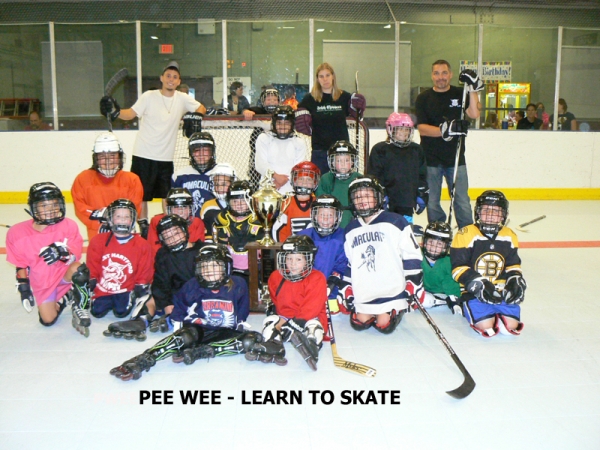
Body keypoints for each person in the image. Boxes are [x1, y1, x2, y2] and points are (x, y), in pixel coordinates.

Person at [110, 244, 262, 381]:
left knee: (253, 339)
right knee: (184, 336)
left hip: (224, 333)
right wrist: (175, 327)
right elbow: (179, 310)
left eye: (215, 266)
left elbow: (242, 313)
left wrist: (237, 329)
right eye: (204, 267)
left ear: (226, 268)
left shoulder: (238, 284)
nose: (209, 271)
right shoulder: (192, 285)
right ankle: (144, 359)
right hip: (198, 330)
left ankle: (202, 352)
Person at [99, 61, 207, 236]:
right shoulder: (149, 96)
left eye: (175, 77)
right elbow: (130, 113)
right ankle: (144, 227)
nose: (171, 79)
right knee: (142, 195)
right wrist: (115, 112)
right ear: (161, 78)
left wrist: (195, 115)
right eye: (168, 76)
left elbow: (201, 108)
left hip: (166, 157)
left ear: (179, 81)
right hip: (143, 154)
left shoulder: (182, 98)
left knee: (166, 195)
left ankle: (168, 224)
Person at [6, 182, 93, 336]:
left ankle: (81, 305)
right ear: (34, 208)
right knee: (47, 320)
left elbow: (75, 255)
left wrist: (63, 252)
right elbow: (21, 265)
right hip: (43, 282)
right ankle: (67, 296)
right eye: (44, 206)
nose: (51, 210)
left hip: (63, 274)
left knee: (79, 270)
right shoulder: (16, 233)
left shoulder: (68, 225)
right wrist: (24, 289)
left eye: (54, 205)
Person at [340, 175, 424, 334]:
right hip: (365, 291)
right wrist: (347, 287)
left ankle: (396, 309)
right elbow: (351, 263)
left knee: (385, 326)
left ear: (378, 197)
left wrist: (413, 282)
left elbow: (411, 255)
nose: (362, 200)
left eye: (367, 195)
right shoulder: (350, 229)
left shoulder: (396, 221)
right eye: (357, 197)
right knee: (359, 323)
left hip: (391, 289)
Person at [103, 214, 205, 340]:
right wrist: (167, 304)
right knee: (150, 298)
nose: (173, 239)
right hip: (175, 295)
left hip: (199, 295)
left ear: (185, 231)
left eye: (176, 233)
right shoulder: (163, 254)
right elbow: (161, 283)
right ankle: (140, 320)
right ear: (162, 239)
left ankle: (173, 319)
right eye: (167, 237)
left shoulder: (202, 250)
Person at [415, 60, 481, 229]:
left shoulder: (461, 93)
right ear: (432, 76)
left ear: (450, 74)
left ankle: (467, 233)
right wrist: (445, 130)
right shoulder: (423, 98)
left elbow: (474, 113)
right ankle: (437, 233)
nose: (441, 77)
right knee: (432, 201)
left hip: (456, 158)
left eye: (444, 73)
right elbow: (422, 128)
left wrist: (473, 88)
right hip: (430, 159)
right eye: (436, 73)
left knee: (462, 200)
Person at [450, 190, 527, 337]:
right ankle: (471, 306)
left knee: (511, 328)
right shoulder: (465, 234)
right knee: (487, 327)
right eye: (486, 210)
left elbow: (513, 264)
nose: (490, 215)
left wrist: (515, 279)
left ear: (503, 215)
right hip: (473, 292)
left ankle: (496, 312)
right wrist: (479, 284)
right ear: (478, 212)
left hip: (500, 290)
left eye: (496, 211)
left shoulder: (510, 235)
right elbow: (457, 267)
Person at [246, 235, 327, 371]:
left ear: (308, 259)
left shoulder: (317, 278)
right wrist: (279, 324)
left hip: (306, 321)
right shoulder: (276, 276)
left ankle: (311, 346)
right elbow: (278, 304)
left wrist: (288, 325)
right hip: (286, 322)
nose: (293, 264)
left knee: (314, 326)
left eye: (298, 259)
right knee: (269, 321)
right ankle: (274, 345)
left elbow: (310, 309)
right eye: (289, 258)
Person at [86, 199, 154, 319]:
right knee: (97, 311)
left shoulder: (142, 245)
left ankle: (129, 295)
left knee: (121, 311)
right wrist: (92, 279)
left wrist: (141, 284)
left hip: (126, 288)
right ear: (111, 219)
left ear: (132, 220)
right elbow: (93, 264)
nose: (122, 219)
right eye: (118, 216)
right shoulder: (98, 241)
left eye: (126, 216)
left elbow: (145, 269)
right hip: (104, 288)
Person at [296, 62, 366, 175]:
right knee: (320, 184)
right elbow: (298, 114)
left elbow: (358, 117)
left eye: (327, 75)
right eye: (321, 76)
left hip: (341, 151)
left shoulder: (344, 97)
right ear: (317, 79)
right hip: (319, 152)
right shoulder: (310, 99)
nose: (325, 79)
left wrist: (358, 107)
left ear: (333, 76)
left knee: (341, 183)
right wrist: (299, 118)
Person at [71, 132, 143, 240]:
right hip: (97, 237)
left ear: (119, 156)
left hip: (125, 235)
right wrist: (100, 224)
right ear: (96, 158)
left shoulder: (132, 180)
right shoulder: (83, 179)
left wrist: (113, 222)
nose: (108, 160)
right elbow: (80, 209)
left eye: (112, 155)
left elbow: (134, 209)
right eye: (102, 156)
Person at [368, 113, 428, 235]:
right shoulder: (380, 149)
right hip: (387, 201)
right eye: (400, 129)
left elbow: (422, 175)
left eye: (407, 130)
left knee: (405, 233)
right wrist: (380, 195)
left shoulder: (416, 150)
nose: (404, 133)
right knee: (385, 234)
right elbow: (374, 175)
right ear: (390, 129)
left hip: (407, 202)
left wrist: (421, 193)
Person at [298, 195, 348, 314]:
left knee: (333, 313)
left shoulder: (344, 237)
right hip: (307, 290)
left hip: (333, 291)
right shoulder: (302, 236)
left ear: (337, 217)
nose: (325, 219)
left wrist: (331, 284)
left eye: (330, 215)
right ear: (314, 216)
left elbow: (342, 266)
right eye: (321, 215)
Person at [212, 180, 264, 284]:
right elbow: (220, 246)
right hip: (231, 269)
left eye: (243, 201)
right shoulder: (222, 219)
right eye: (235, 201)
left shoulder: (259, 219)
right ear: (228, 202)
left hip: (254, 268)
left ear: (250, 201)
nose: (239, 205)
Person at [255, 105, 307, 194]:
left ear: (292, 124)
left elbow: (298, 168)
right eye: (279, 123)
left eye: (286, 123)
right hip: (268, 188)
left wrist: (282, 181)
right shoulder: (264, 138)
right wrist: (275, 176)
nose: (283, 126)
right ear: (274, 123)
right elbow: (260, 164)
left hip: (290, 188)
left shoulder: (299, 142)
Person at [315, 140, 362, 228]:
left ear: (353, 161)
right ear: (332, 162)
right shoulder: (326, 179)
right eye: (339, 161)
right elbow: (321, 204)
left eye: (347, 160)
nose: (343, 164)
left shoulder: (359, 179)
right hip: (332, 223)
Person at [146, 188, 205, 257]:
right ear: (169, 209)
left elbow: (197, 251)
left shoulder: (197, 223)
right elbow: (154, 252)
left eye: (184, 207)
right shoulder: (157, 222)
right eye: (176, 207)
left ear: (190, 209)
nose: (181, 212)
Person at [171, 131, 216, 218]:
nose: (201, 154)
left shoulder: (221, 173)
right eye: (197, 150)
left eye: (205, 150)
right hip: (187, 223)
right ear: (191, 153)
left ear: (212, 152)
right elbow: (169, 202)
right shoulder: (179, 175)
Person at [272, 161, 320, 243]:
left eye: (309, 179)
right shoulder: (286, 203)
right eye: (301, 179)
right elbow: (280, 231)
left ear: (315, 183)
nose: (304, 182)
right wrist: (286, 247)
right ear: (294, 181)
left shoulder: (319, 204)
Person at [421, 221, 462, 314]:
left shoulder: (447, 263)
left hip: (441, 296)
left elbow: (452, 291)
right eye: (431, 242)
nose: (434, 247)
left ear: (445, 247)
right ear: (424, 242)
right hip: (419, 294)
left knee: (427, 300)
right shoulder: (416, 257)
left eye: (439, 244)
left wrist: (454, 302)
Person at [200, 163, 236, 241]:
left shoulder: (239, 204)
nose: (219, 188)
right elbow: (206, 234)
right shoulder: (208, 206)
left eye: (224, 184)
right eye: (216, 184)